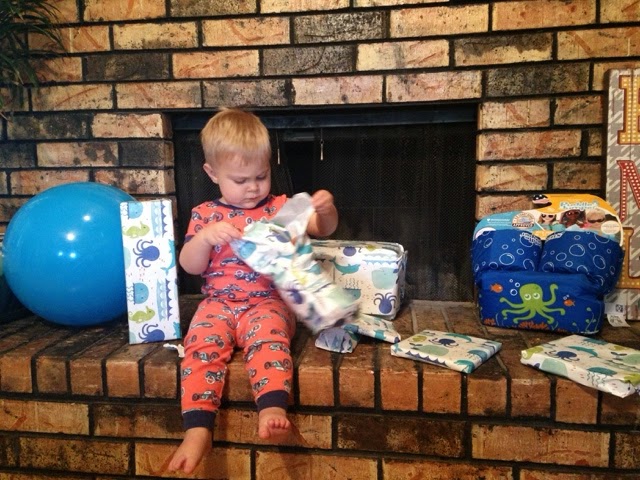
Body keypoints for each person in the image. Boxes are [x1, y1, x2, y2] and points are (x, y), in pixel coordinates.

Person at [168, 108, 338, 474]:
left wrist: (325, 211)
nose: (253, 187)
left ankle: (272, 407)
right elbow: (189, 265)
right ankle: (197, 428)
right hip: (218, 303)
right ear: (212, 173)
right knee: (200, 346)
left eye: (261, 176)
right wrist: (204, 239)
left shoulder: (280, 208)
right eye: (241, 179)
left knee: (269, 341)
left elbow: (320, 228)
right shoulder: (204, 214)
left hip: (268, 303)